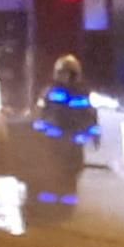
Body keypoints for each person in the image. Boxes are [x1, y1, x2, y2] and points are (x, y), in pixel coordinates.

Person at [29, 54, 99, 210]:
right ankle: (50, 199)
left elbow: (90, 115)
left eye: (69, 73)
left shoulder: (82, 93)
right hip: (54, 141)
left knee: (72, 170)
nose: (66, 77)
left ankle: (67, 199)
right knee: (51, 168)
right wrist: (39, 133)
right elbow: (40, 114)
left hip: (73, 141)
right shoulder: (50, 92)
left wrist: (94, 135)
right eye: (63, 73)